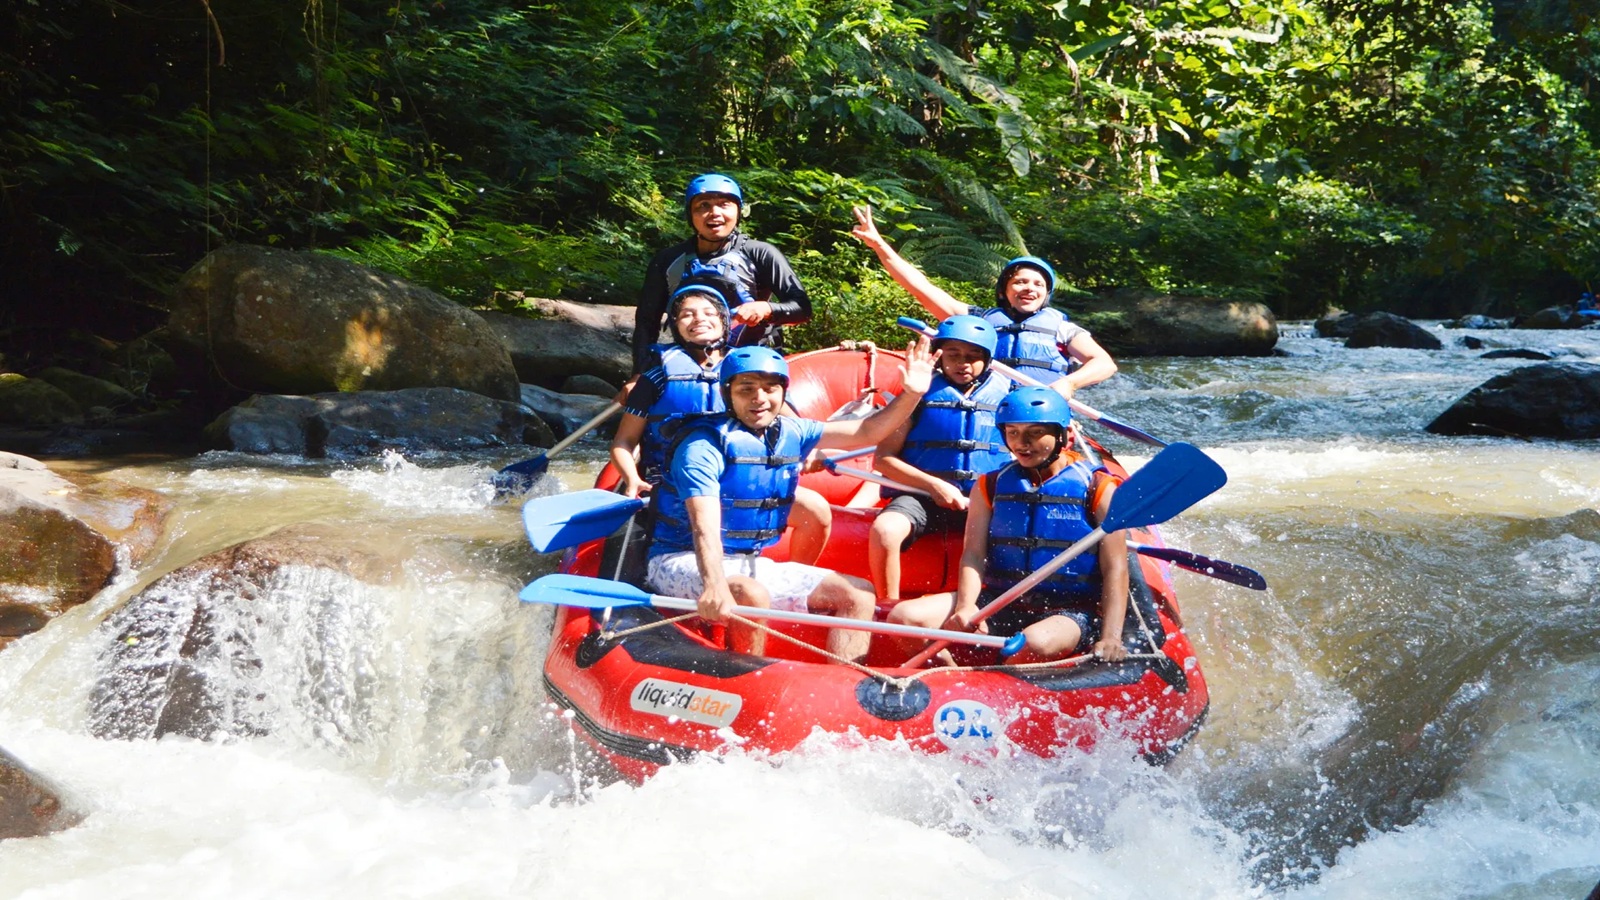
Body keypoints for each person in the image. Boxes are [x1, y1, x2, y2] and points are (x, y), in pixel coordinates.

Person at [648, 341, 937, 662]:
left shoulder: (791, 430)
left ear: (783, 392)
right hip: (677, 558)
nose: (760, 398)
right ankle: (745, 679)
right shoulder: (702, 446)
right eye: (747, 389)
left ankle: (840, 689)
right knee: (750, 594)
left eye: (770, 389)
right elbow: (704, 527)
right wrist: (714, 585)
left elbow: (867, 431)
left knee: (858, 594)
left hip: (745, 560)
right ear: (727, 393)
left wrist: (911, 394)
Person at [887, 387, 1129, 666]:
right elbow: (974, 555)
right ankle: (954, 680)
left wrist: (1111, 636)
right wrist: (966, 605)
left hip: (1070, 610)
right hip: (1000, 600)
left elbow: (1116, 568)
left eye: (1035, 432)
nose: (1022, 443)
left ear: (1063, 436)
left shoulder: (1098, 487)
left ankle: (997, 686)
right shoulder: (989, 485)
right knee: (903, 619)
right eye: (1012, 432)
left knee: (1032, 644)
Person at [609, 277, 832, 564]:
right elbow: (623, 442)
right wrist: (631, 479)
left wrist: (810, 451)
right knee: (624, 549)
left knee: (816, 509)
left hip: (741, 478)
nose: (697, 319)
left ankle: (790, 583)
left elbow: (790, 426)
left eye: (708, 312)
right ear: (675, 326)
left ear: (724, 321)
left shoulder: (751, 370)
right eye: (687, 314)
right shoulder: (655, 378)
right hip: (672, 484)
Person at [849, 205, 1116, 400]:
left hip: (1038, 410)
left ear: (1046, 295)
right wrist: (880, 246)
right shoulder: (978, 320)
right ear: (1004, 290)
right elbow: (921, 288)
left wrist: (1069, 384)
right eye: (1020, 282)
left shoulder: (1063, 329)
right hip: (986, 406)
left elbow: (1104, 363)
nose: (1029, 289)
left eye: (1038, 285)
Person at [867, 314, 1012, 603]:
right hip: (922, 496)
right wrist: (934, 486)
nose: (963, 363)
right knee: (885, 530)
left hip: (984, 500)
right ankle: (887, 607)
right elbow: (883, 460)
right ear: (939, 355)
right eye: (954, 354)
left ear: (987, 360)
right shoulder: (916, 395)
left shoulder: (1008, 399)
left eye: (973, 356)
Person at [630, 174, 812, 378]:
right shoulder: (667, 260)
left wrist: (766, 308)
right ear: (690, 214)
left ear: (738, 211)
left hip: (752, 360)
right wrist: (639, 374)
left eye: (724, 205)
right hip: (689, 361)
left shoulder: (761, 254)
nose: (714, 213)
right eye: (703, 206)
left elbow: (802, 309)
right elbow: (647, 322)